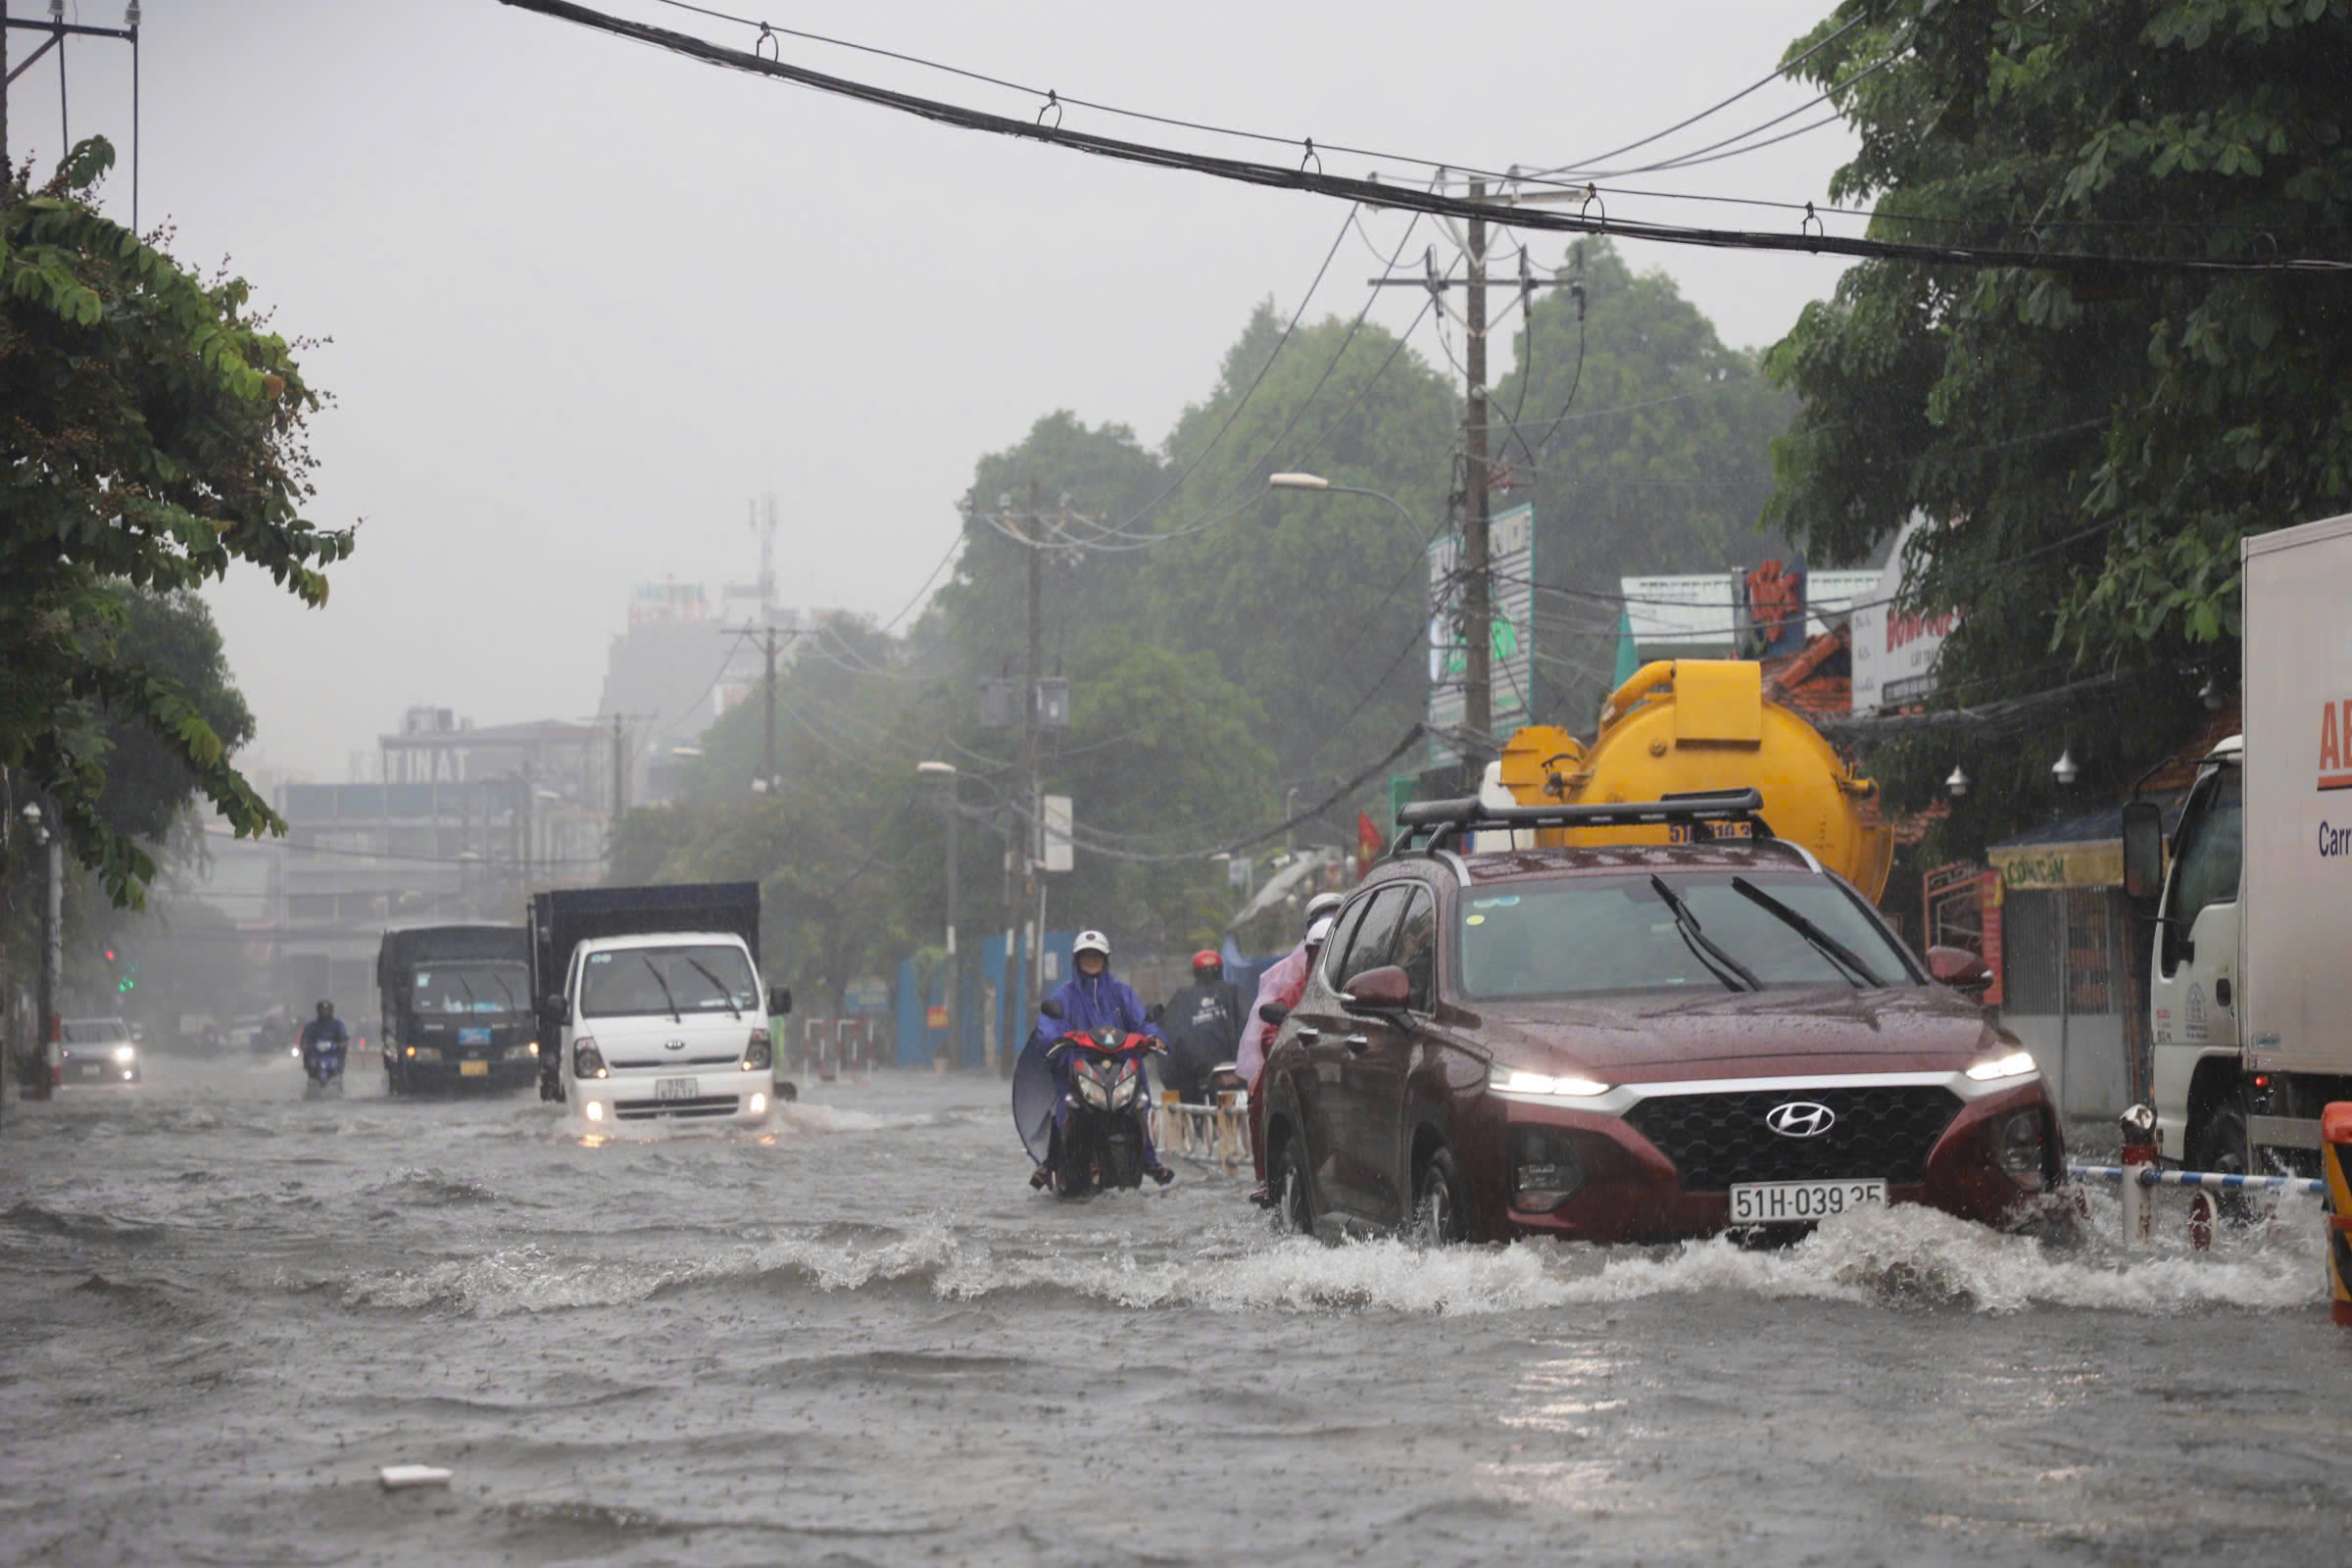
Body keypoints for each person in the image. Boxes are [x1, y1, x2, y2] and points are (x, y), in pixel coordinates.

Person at [1023, 929, 1172, 1187]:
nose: (1092, 960)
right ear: (1076, 960)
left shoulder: (1121, 993)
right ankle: (1050, 1161)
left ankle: (1149, 1159)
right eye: (1086, 956)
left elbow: (1142, 1020)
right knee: (1063, 1103)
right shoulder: (1064, 996)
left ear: (1106, 959)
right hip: (1078, 1068)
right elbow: (1048, 1024)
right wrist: (1055, 1039)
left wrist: (1154, 1037)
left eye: (1097, 955)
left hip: (1121, 1067)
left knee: (1141, 1101)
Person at [1156, 950, 1248, 1104]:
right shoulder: (1236, 991)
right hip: (1235, 1072)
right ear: (1221, 969)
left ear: (1195, 973)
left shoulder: (1182, 998)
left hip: (1197, 1080)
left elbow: (1169, 1038)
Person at [298, 1000, 349, 1081]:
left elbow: (343, 1036)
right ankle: (309, 1070)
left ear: (331, 1011)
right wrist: (304, 1044)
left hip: (332, 1053)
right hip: (316, 1054)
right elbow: (305, 1037)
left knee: (342, 1053)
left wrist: (342, 1043)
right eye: (322, 1010)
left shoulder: (337, 1024)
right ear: (318, 1011)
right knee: (309, 1060)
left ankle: (340, 1072)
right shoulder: (312, 1025)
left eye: (327, 1010)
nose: (325, 1012)